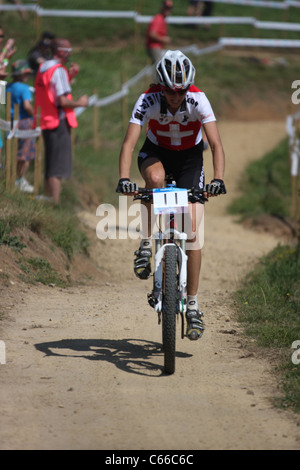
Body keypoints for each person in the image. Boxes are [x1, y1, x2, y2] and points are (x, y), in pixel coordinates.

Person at [116, 50, 226, 341]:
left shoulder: (198, 99)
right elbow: (129, 143)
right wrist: (124, 179)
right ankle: (146, 242)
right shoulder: (147, 99)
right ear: (160, 87)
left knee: (193, 230)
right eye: (169, 91)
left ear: (188, 88)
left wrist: (218, 180)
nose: (175, 97)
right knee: (154, 179)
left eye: (180, 91)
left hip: (191, 158)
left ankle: (192, 304)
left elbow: (215, 144)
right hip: (156, 153)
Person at [34, 38, 89, 204]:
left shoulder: (44, 67)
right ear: (59, 51)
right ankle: (55, 202)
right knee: (57, 166)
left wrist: (70, 75)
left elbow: (51, 90)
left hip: (46, 118)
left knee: (50, 161)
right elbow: (62, 101)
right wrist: (81, 103)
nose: (70, 54)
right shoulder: (58, 70)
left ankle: (48, 197)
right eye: (68, 51)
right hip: (58, 121)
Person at [6, 59, 35, 192]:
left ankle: (11, 177)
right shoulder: (24, 89)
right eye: (26, 73)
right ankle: (19, 179)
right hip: (24, 122)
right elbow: (27, 106)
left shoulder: (7, 87)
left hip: (10, 121)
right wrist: (36, 115)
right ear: (20, 74)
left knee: (12, 150)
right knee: (26, 153)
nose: (27, 76)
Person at [145, 0, 173, 64]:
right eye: (166, 8)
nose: (168, 10)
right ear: (162, 8)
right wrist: (163, 39)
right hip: (154, 47)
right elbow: (152, 34)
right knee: (160, 67)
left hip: (158, 47)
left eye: (169, 8)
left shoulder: (162, 19)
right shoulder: (158, 19)